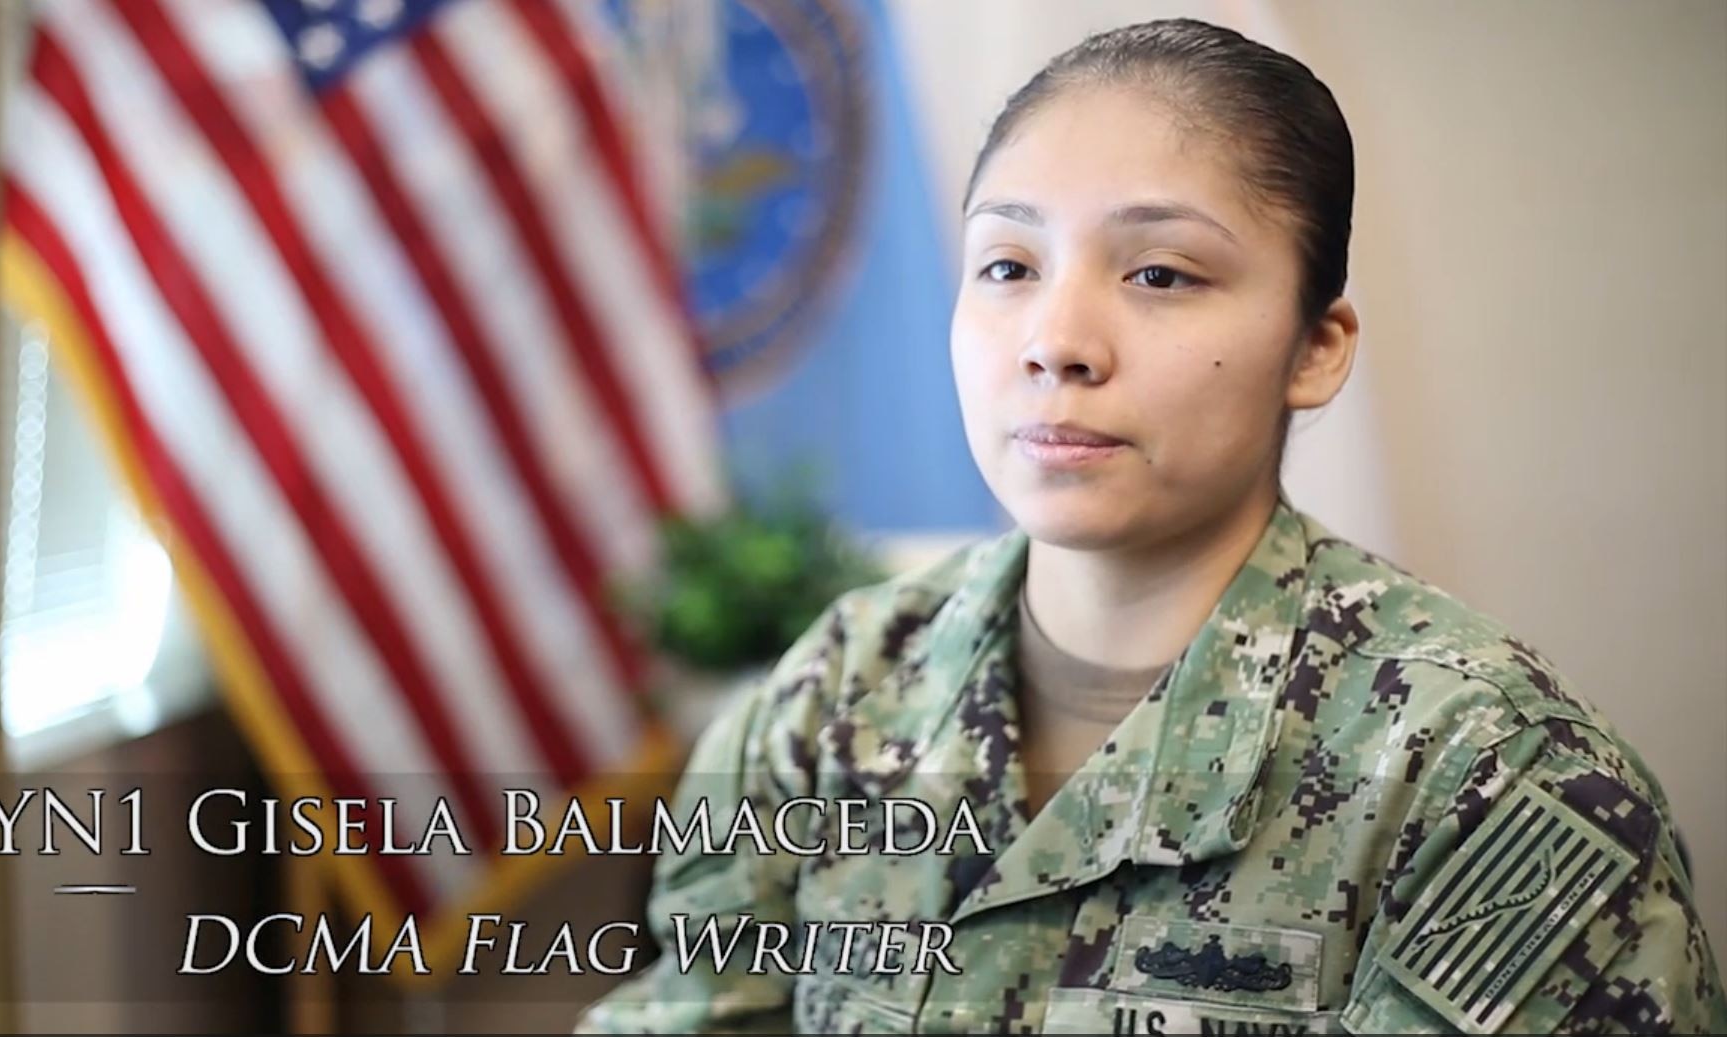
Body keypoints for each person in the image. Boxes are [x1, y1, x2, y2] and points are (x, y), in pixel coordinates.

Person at [578, 18, 1725, 1034]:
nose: (1056, 339)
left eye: (1162, 273)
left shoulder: (1485, 778)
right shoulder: (835, 693)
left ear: (1315, 346)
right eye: (1008, 263)